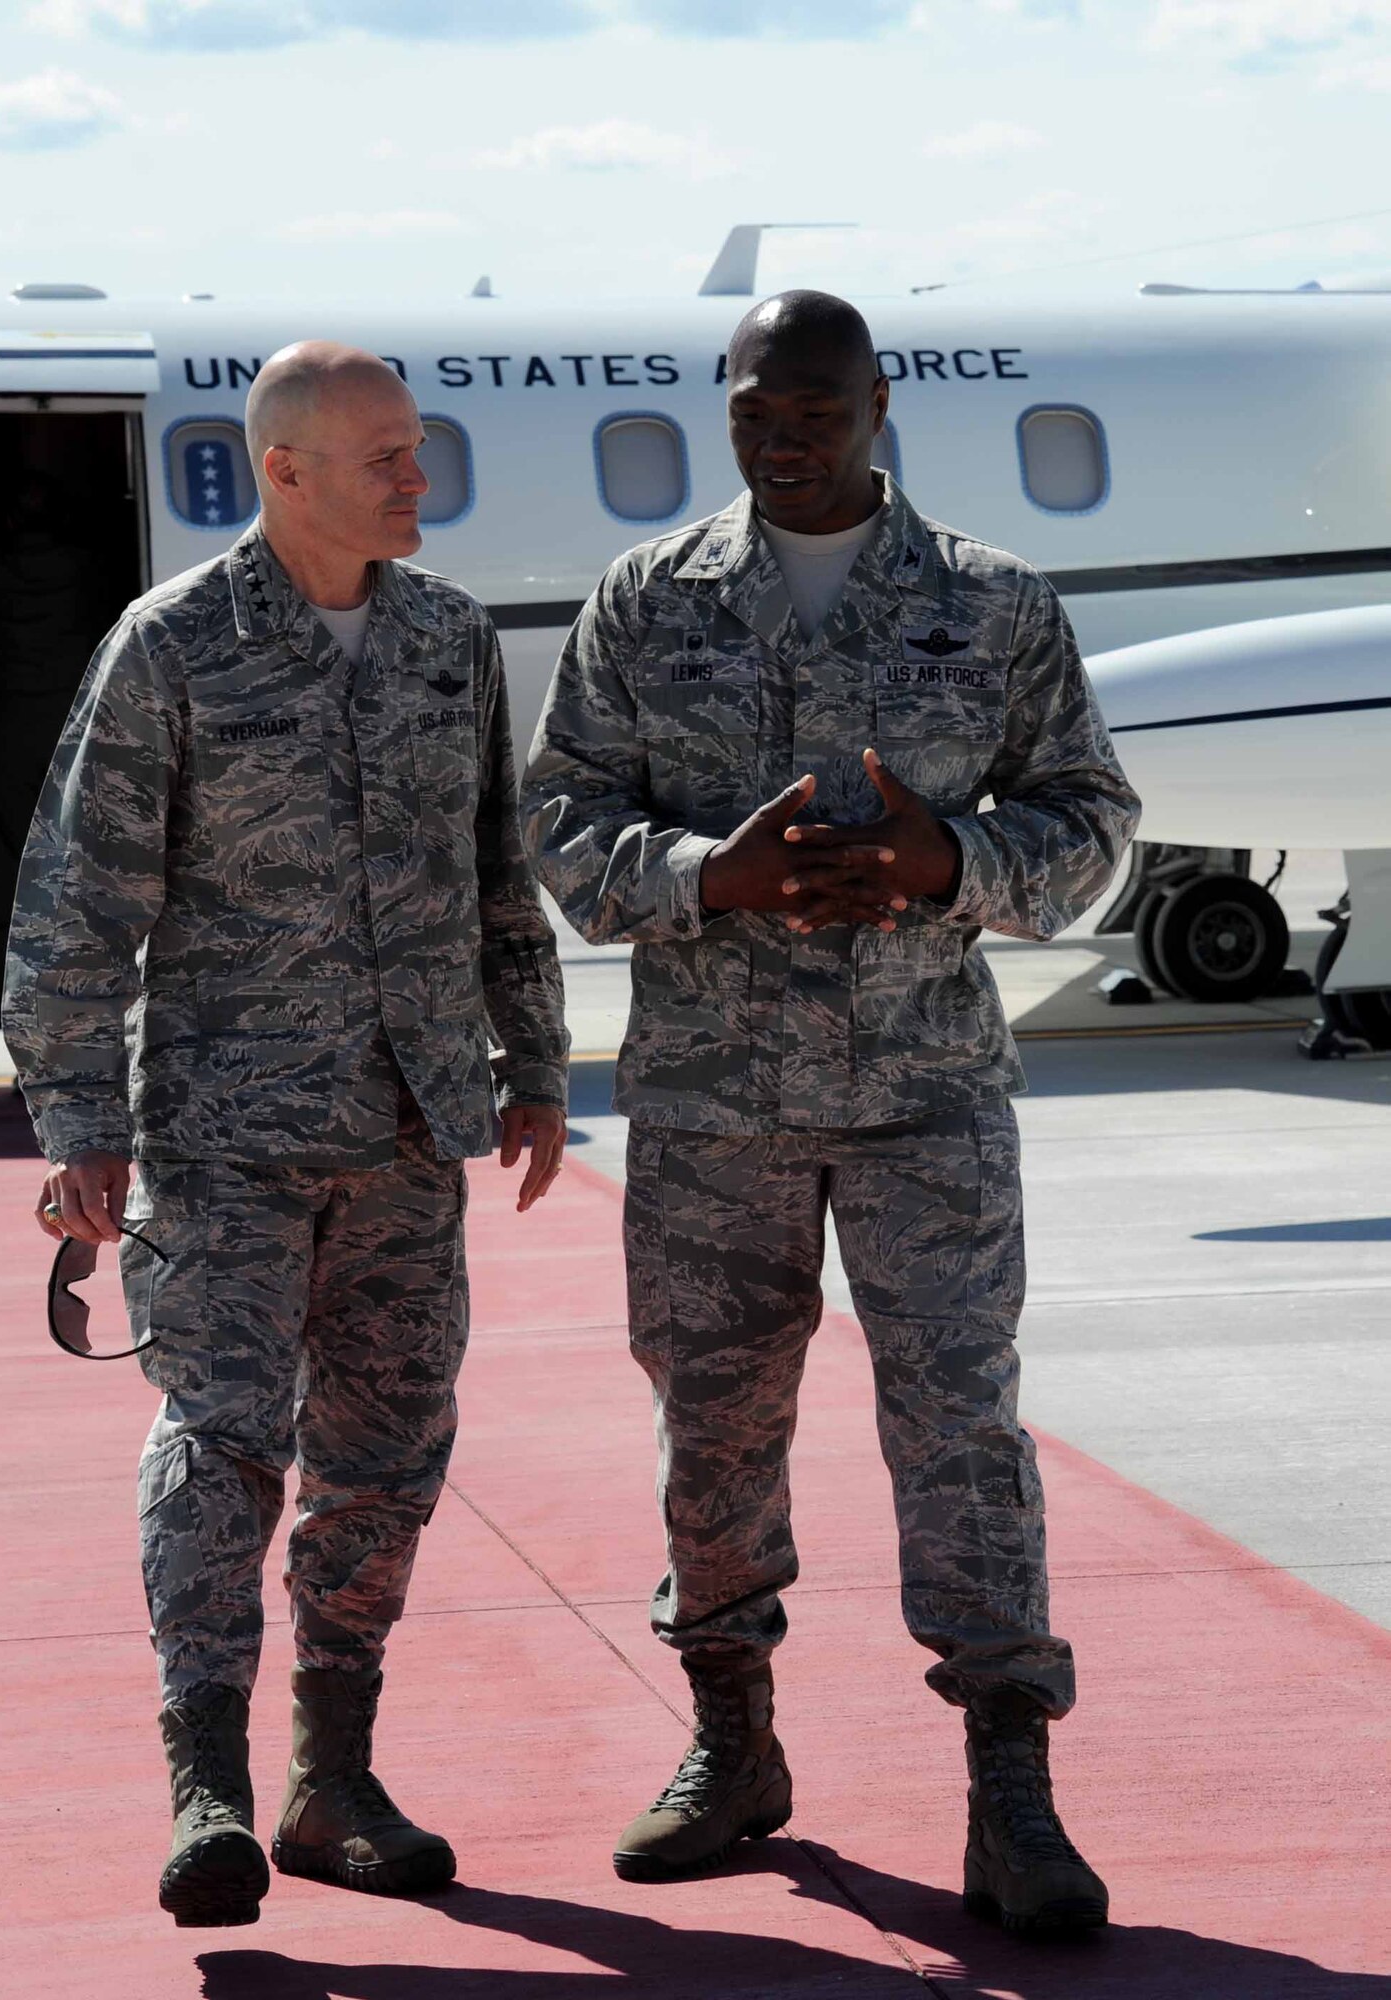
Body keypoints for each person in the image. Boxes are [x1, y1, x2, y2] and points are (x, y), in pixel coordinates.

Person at [523, 291, 1139, 1936]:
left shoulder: (993, 605)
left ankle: (1011, 1788)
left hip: (926, 1096)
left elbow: (1092, 823)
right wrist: (701, 872)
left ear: (876, 403)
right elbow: (561, 818)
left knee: (958, 1430)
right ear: (725, 411)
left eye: (811, 406)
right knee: (712, 1432)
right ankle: (732, 1746)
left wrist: (960, 861)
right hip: (714, 1102)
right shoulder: (645, 605)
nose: (781, 434)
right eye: (750, 410)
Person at [4, 343, 568, 1928]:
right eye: (382, 453)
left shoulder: (450, 638)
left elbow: (490, 872)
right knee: (223, 1448)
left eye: (416, 448)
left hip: (406, 1129)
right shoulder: (171, 645)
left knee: (385, 1461)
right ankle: (208, 1788)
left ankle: (335, 1778)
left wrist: (533, 1056)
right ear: (284, 469)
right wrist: (79, 1124)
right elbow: (75, 902)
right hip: (225, 1134)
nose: (415, 475)